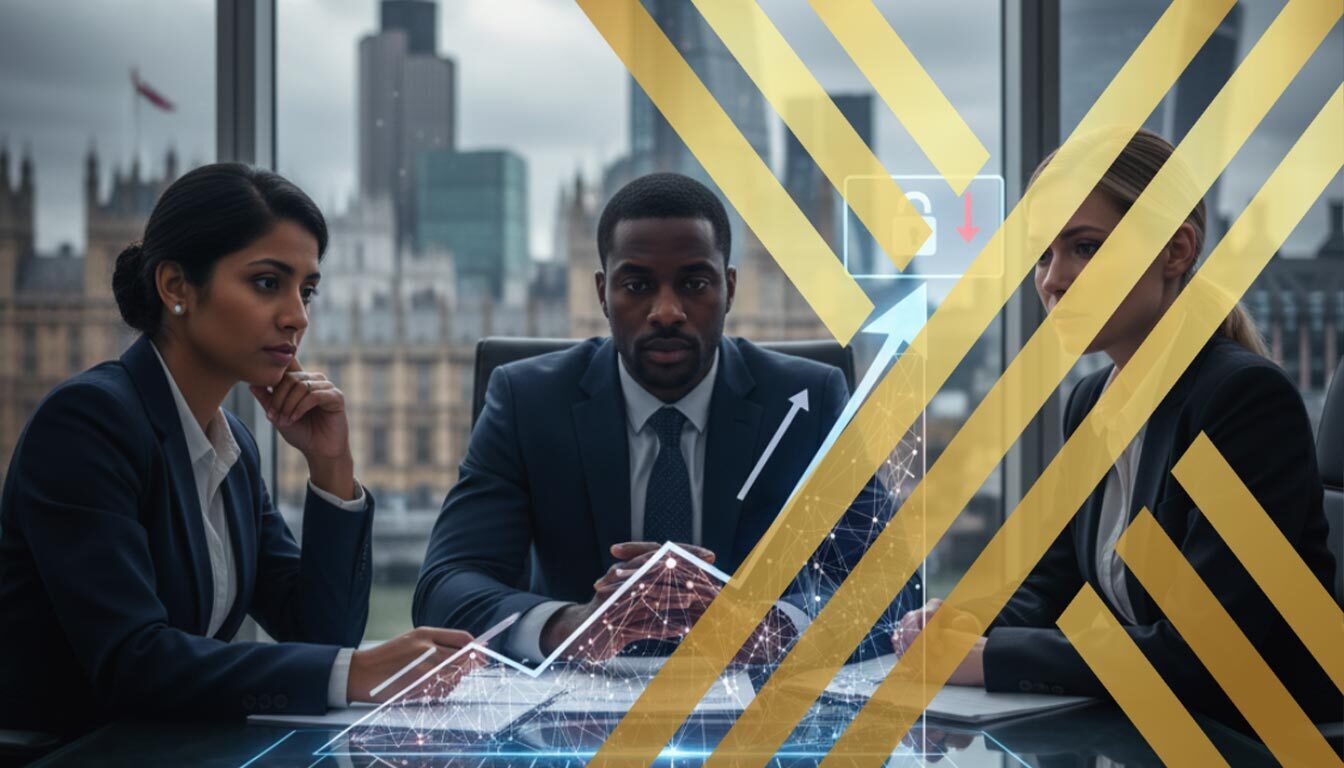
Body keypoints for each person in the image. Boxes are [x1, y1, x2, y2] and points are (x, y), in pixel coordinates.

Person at [0, 163, 476, 737]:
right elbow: (133, 663)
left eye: (307, 291)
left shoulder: (232, 447)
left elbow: (322, 634)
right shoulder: (87, 425)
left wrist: (332, 468)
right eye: (267, 283)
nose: (297, 317)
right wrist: (356, 672)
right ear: (175, 286)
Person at [891, 130, 1338, 727]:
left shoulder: (1242, 402)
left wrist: (992, 658)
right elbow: (1053, 584)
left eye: (1085, 247)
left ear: (1175, 251)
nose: (1052, 281)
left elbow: (1209, 654)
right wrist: (968, 624)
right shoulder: (1092, 403)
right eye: (1044, 256)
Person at [415, 172, 921, 664]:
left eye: (694, 283)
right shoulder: (528, 400)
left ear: (729, 288)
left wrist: (774, 627)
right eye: (636, 285)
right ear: (600, 293)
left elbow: (892, 583)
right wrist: (567, 625)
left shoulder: (807, 400)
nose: (666, 311)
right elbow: (446, 585)